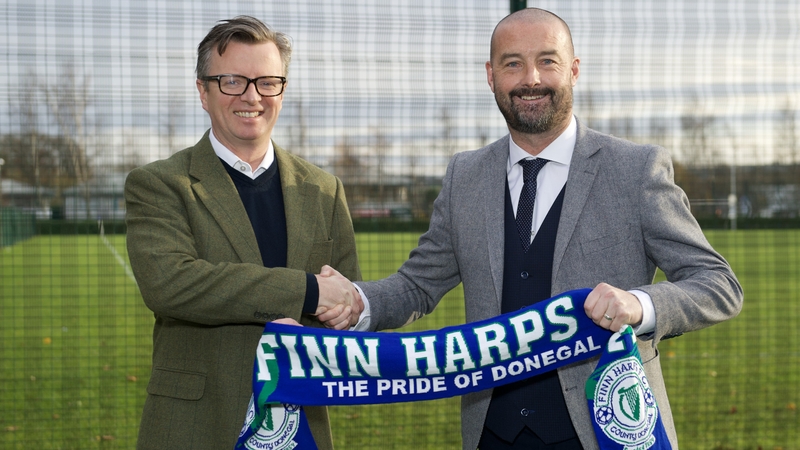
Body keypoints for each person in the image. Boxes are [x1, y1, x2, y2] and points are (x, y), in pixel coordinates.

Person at [323, 7, 743, 450]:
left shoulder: (634, 170)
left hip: (606, 432)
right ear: (490, 76)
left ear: (574, 70)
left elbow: (718, 284)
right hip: (492, 432)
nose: (531, 79)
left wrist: (638, 304)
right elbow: (418, 285)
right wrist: (358, 302)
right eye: (512, 63)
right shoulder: (465, 175)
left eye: (548, 60)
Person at [125, 16, 361, 450]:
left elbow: (345, 301)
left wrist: (334, 320)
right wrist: (306, 292)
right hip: (196, 426)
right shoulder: (160, 184)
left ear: (282, 91)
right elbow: (171, 284)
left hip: (300, 427)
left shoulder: (324, 189)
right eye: (232, 81)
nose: (252, 96)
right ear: (203, 91)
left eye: (268, 81)